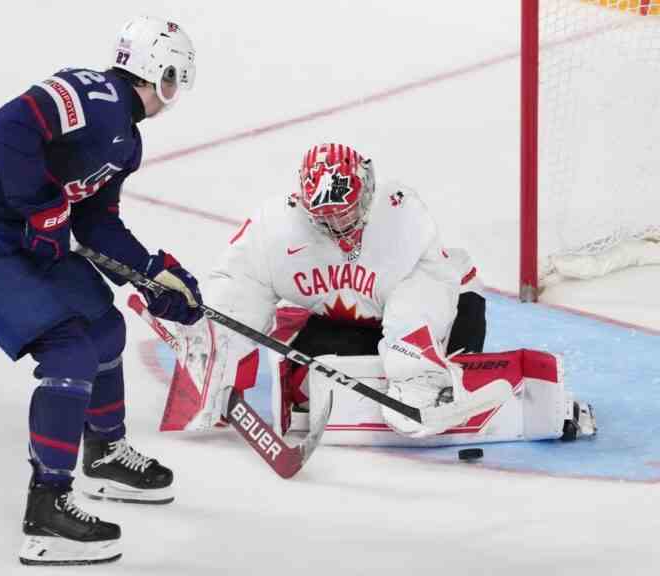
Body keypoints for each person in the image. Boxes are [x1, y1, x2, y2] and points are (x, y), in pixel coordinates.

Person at [0, 17, 202, 566]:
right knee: (69, 348)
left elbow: (96, 225)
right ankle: (46, 509)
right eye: (172, 82)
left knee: (104, 324)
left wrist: (151, 273)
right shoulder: (93, 93)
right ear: (155, 71)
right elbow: (9, 126)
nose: (172, 97)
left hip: (18, 234)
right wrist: (45, 210)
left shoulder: (125, 140)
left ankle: (103, 453)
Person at [152, 142, 596, 446]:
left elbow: (426, 292)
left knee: (433, 364)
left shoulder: (400, 214)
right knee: (304, 372)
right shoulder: (278, 227)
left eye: (346, 214)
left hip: (453, 304)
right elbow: (240, 283)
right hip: (354, 320)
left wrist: (414, 370)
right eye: (327, 220)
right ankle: (410, 375)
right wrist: (217, 343)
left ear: (367, 187)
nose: (340, 228)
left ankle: (435, 381)